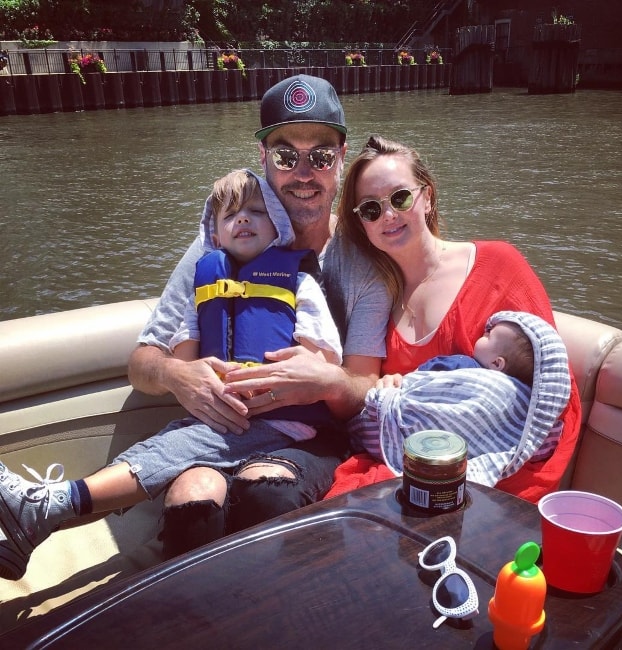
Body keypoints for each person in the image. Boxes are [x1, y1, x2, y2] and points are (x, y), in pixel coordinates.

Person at [0, 75, 392, 580]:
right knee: (191, 498)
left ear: (341, 157)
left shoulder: (365, 261)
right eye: (284, 155)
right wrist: (178, 377)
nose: (302, 172)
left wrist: (324, 381)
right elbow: (143, 363)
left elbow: (363, 390)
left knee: (265, 492)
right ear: (262, 155)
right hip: (219, 425)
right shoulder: (216, 247)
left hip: (310, 434)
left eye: (319, 155)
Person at [325, 134, 581, 502]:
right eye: (370, 209)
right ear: (362, 223)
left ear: (426, 197)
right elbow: (373, 408)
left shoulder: (499, 266)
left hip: (502, 475)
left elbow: (551, 393)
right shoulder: (374, 297)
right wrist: (387, 387)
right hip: (408, 468)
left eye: (400, 198)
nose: (388, 215)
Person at [347, 310, 571, 485]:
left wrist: (399, 388)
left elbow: (420, 381)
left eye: (487, 335)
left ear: (497, 364)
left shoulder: (461, 365)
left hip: (400, 431)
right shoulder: (525, 403)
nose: (483, 331)